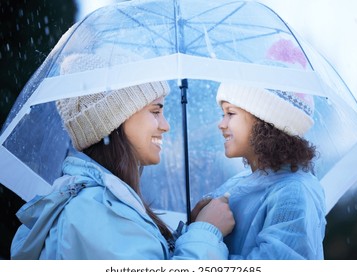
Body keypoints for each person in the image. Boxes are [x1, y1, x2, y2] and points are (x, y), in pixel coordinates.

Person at [10, 53, 234, 260]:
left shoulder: (104, 206)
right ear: (114, 120)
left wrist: (191, 232)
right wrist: (206, 232)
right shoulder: (94, 212)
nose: (165, 126)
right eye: (156, 111)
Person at [193, 79, 327, 259]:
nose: (221, 124)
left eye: (230, 113)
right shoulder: (240, 182)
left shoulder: (294, 192)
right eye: (222, 114)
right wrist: (195, 225)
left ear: (265, 121)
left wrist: (205, 237)